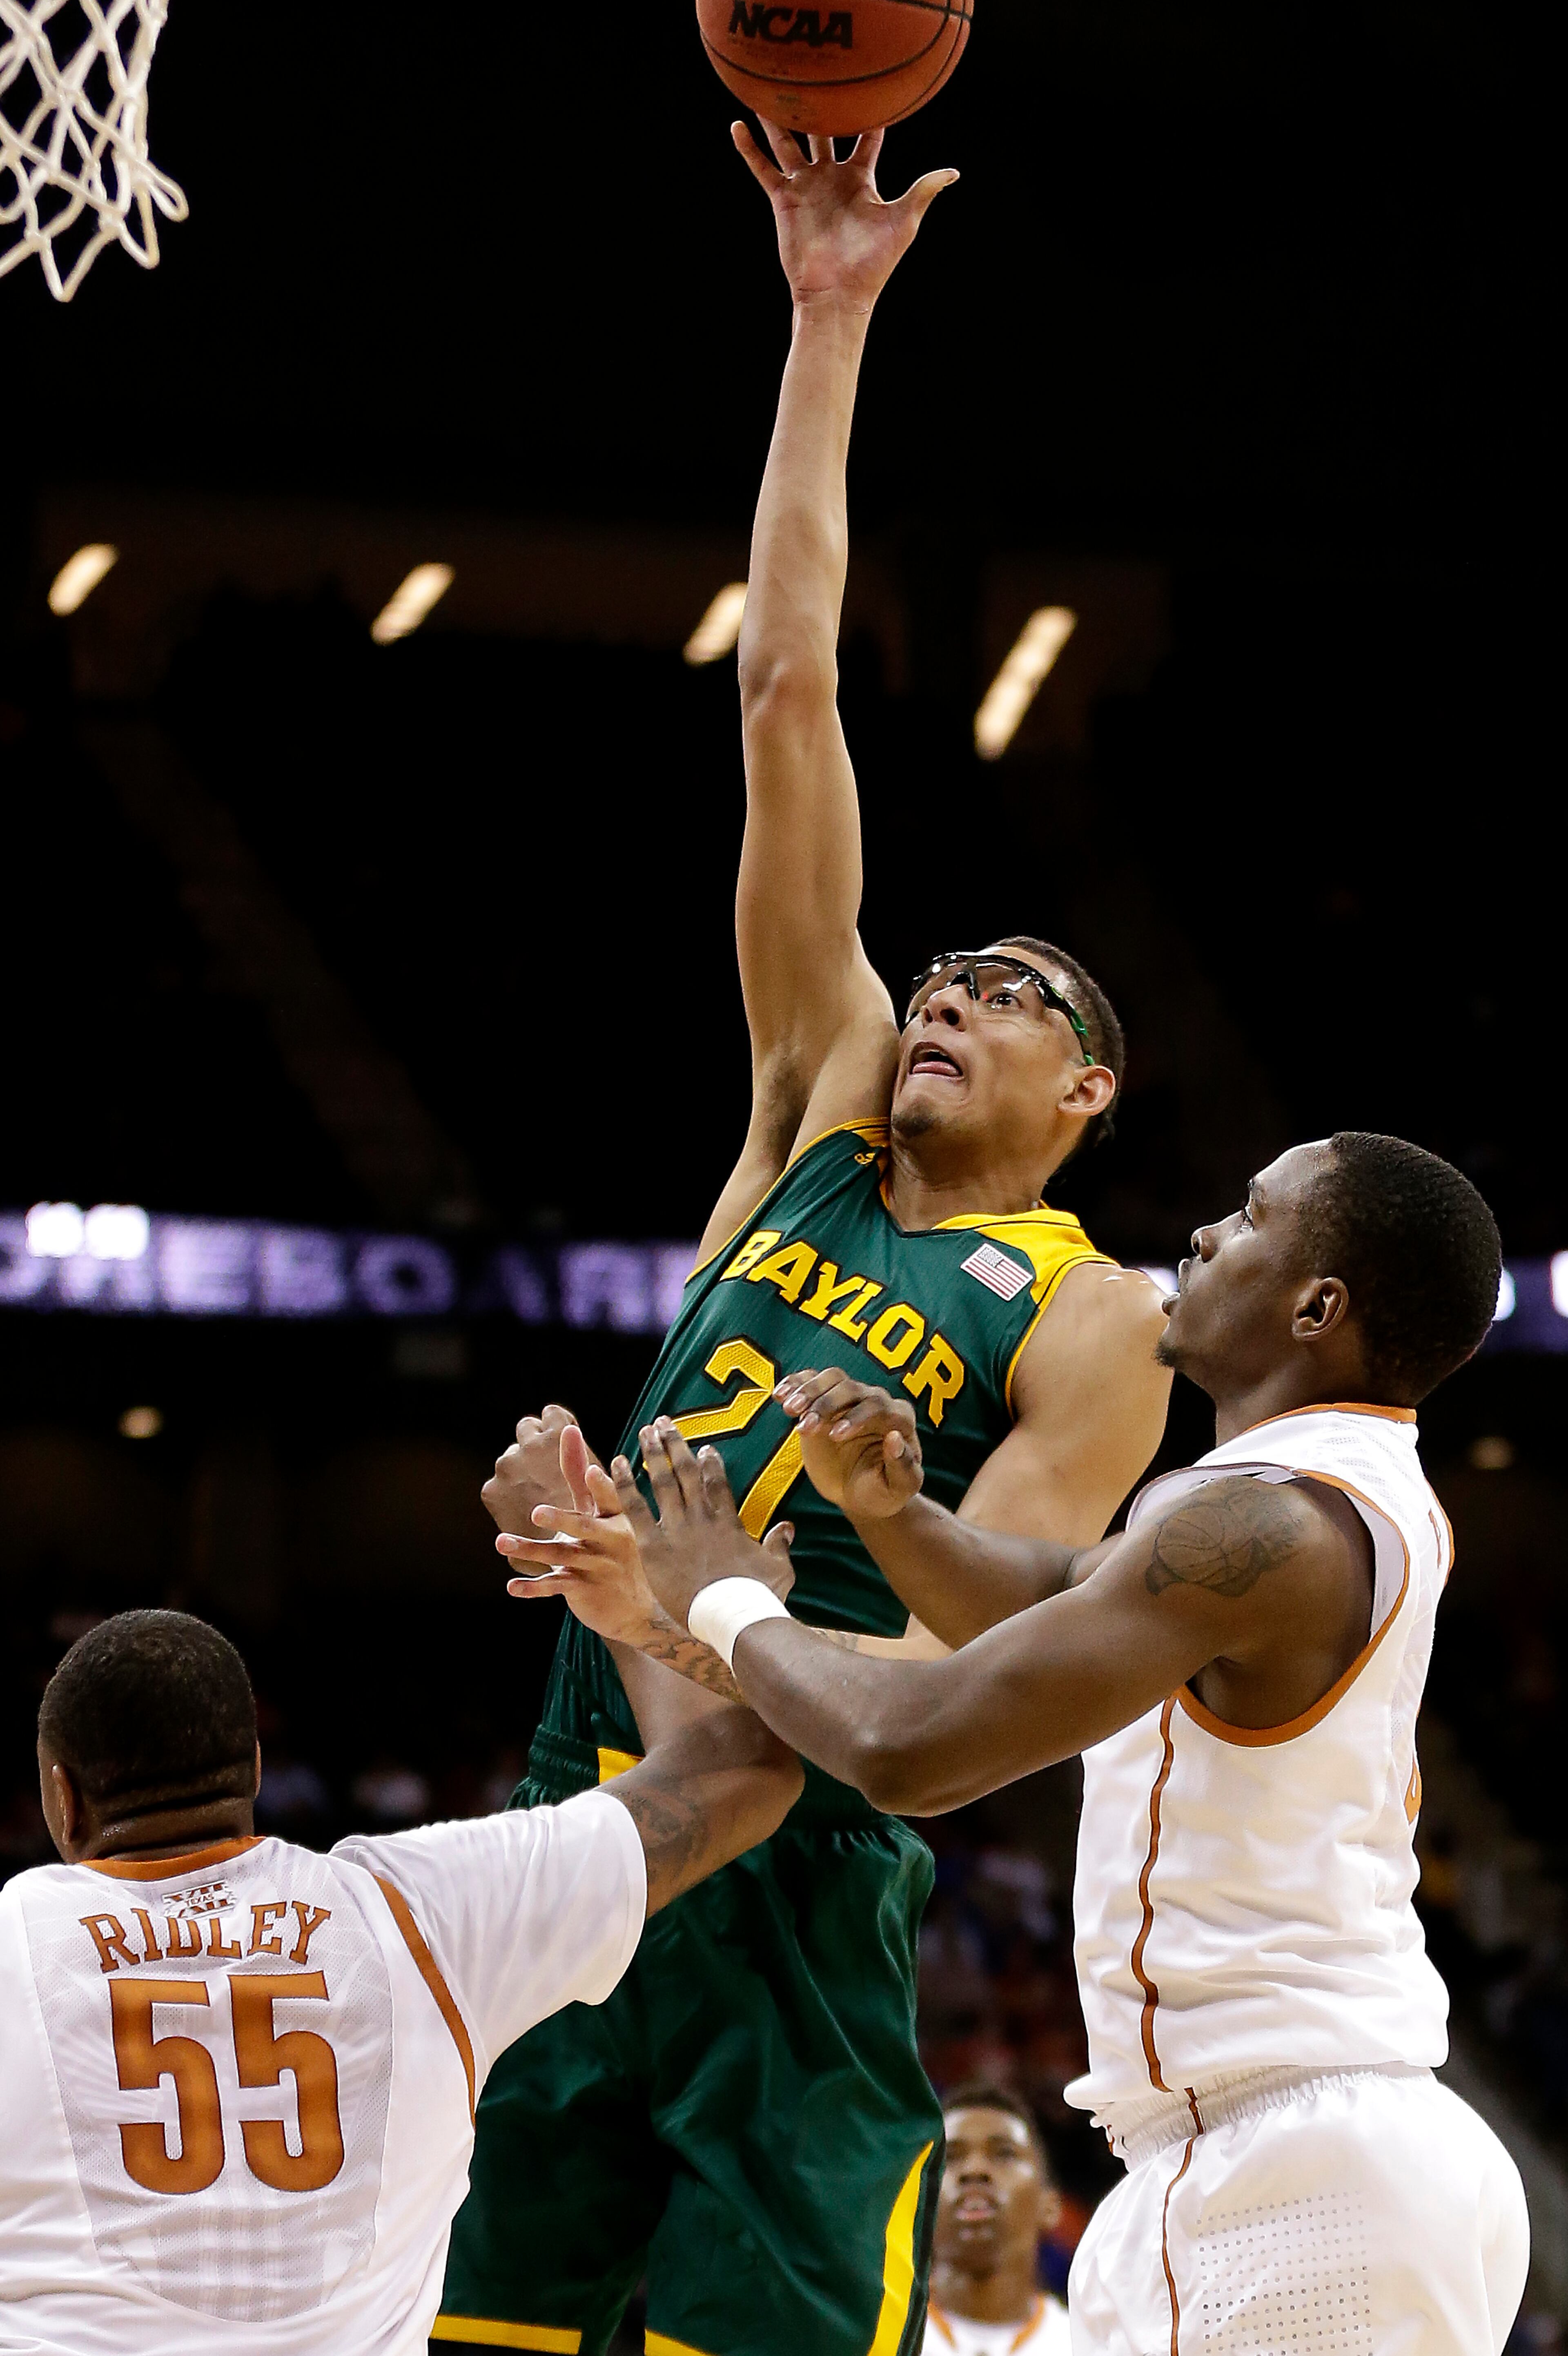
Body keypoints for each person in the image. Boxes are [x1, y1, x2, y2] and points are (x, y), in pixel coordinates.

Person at [440, 121, 1170, 2356]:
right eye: (939, 972)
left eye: (1010, 992)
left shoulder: (1091, 1313)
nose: (945, 995)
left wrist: (701, 1601)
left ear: (1090, 1092)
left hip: (789, 1863)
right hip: (575, 1824)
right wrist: (825, 320)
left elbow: (970, 1681)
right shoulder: (815, 1114)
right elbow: (786, 689)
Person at [521, 1132, 1530, 2352]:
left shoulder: (1272, 1529)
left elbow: (911, 1750)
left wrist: (718, 1596)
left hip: (1289, 2173)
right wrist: (888, 1512)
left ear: (1315, 1308)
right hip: (1295, 2155)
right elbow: (1050, 1587)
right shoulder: (1300, 1495)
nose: (1205, 1233)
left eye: (1251, 1217)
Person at [0, 1607, 799, 2355]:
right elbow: (745, 1766)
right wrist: (628, 1603)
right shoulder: (419, 1904)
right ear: (255, 1769)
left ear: (63, 1798)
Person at [923, 2085, 1070, 2355]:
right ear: (920, 2205)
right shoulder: (878, 2334)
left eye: (1004, 2153)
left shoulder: (1087, 2343)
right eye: (950, 2157)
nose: (974, 2170)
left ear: (1049, 2206)